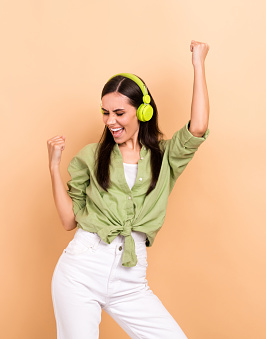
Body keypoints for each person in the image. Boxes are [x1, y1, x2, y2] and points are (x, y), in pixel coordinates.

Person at [47, 40, 210, 339]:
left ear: (142, 112)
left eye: (119, 113)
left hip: (130, 280)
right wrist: (53, 168)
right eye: (105, 112)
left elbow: (197, 127)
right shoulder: (91, 157)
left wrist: (198, 63)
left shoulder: (164, 157)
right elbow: (69, 221)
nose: (111, 121)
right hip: (81, 271)